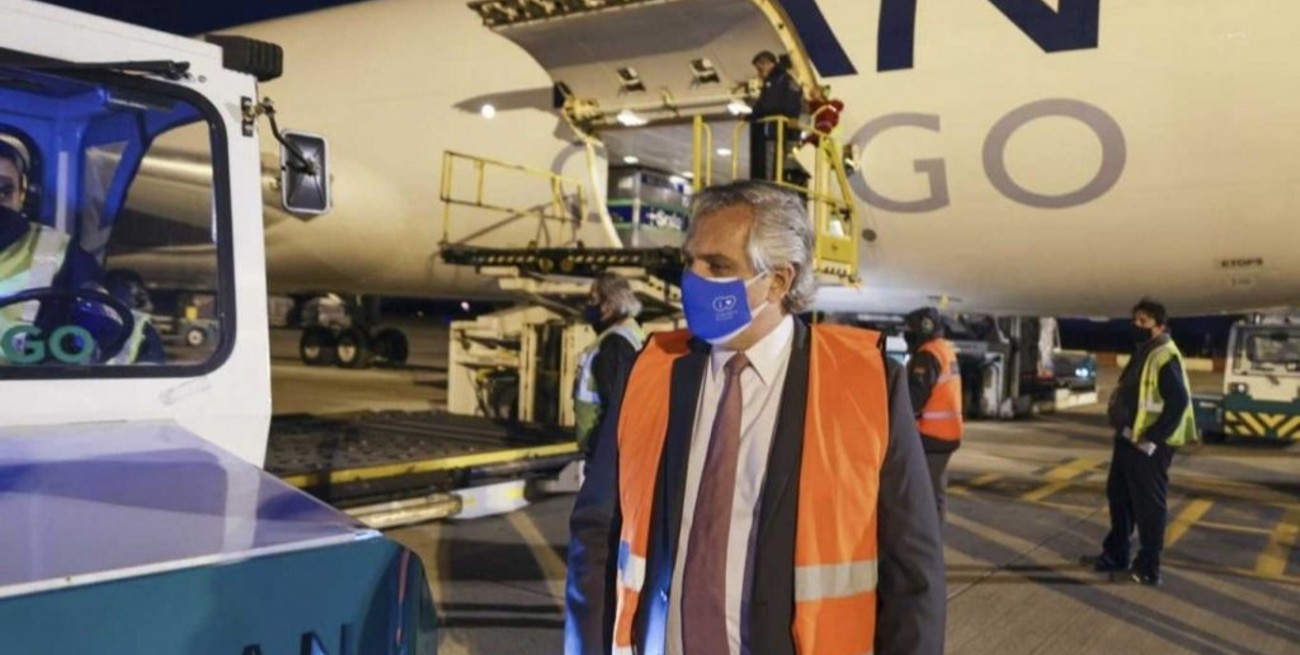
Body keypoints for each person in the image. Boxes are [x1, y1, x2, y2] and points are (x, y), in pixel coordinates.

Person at [565, 180, 946, 655]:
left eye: (718, 266)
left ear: (779, 280)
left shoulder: (867, 384)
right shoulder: (651, 371)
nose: (693, 280)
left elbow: (912, 576)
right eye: (689, 261)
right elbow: (596, 537)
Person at [0, 138, 148, 364]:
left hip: (32, 384)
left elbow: (108, 330)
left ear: (23, 196)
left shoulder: (60, 251)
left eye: (3, 191)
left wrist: (92, 338)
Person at [1083, 298, 1197, 586]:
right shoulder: (1144, 350)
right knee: (1118, 496)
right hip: (1129, 438)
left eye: (1143, 321)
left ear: (1159, 326)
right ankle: (1116, 554)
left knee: (1148, 506)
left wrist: (1153, 437)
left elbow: (1179, 400)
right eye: (1134, 320)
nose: (1136, 325)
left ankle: (1148, 567)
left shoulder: (1163, 355)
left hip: (1148, 445)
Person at [573, 271, 644, 459]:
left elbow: (617, 408)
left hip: (606, 453)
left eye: (593, 300)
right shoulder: (632, 334)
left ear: (609, 305)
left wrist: (597, 449)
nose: (589, 306)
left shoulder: (613, 345)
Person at [904, 307, 964, 523]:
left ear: (923, 328)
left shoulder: (928, 354)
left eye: (910, 329)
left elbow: (914, 397)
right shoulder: (944, 349)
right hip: (947, 433)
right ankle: (933, 535)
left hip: (932, 434)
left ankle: (927, 536)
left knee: (924, 492)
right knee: (936, 490)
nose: (907, 334)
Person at [747, 51, 802, 183]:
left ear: (767, 64)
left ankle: (773, 187)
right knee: (786, 168)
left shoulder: (776, 81)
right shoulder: (786, 80)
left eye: (759, 68)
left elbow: (768, 103)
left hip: (778, 131)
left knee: (774, 168)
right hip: (788, 131)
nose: (759, 73)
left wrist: (753, 115)